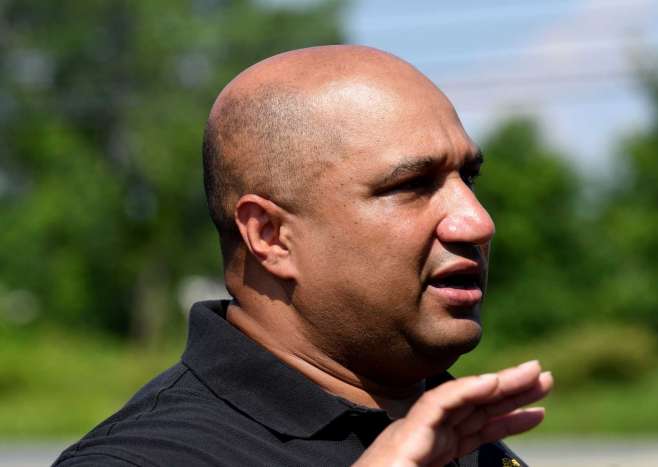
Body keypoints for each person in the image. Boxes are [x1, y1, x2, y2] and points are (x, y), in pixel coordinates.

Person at [54, 45, 553, 467]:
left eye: (467, 178)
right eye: (411, 185)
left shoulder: (458, 427)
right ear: (270, 236)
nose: (477, 221)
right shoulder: (147, 457)